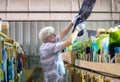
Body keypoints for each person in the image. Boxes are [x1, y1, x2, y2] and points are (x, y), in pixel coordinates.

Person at [39, 15, 85, 82]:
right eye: (52, 34)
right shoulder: (48, 47)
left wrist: (72, 23)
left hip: (56, 77)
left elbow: (61, 34)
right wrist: (77, 29)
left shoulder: (47, 44)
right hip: (54, 79)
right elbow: (69, 41)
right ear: (47, 38)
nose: (55, 35)